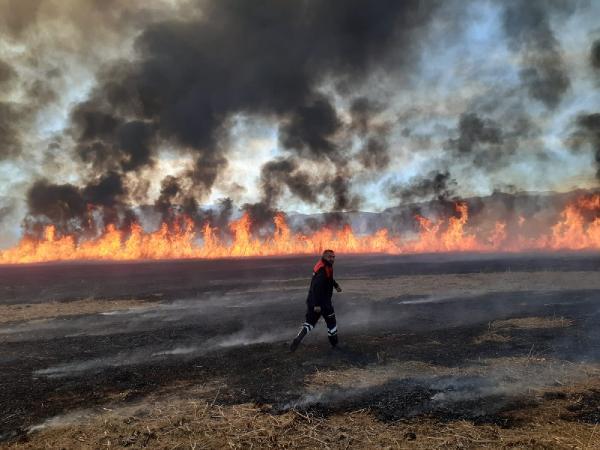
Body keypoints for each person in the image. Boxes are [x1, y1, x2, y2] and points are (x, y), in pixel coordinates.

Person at [290, 249, 342, 352]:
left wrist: (335, 285)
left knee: (309, 323)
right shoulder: (323, 269)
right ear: (324, 257)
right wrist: (317, 304)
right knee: (332, 323)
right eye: (330, 257)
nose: (332, 259)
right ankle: (334, 344)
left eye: (333, 257)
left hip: (312, 300)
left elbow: (329, 278)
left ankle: (298, 339)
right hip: (322, 302)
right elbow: (316, 287)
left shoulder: (324, 265)